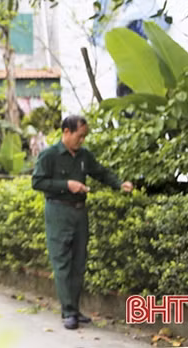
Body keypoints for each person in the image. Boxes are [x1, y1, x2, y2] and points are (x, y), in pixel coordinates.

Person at [31, 115, 133, 330]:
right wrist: (67, 185)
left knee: (78, 263)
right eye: (79, 136)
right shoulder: (49, 155)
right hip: (58, 211)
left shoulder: (84, 156)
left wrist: (118, 184)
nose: (82, 141)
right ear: (66, 132)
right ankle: (68, 312)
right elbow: (37, 182)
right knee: (62, 262)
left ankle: (74, 309)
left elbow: (100, 173)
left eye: (84, 137)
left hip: (79, 213)